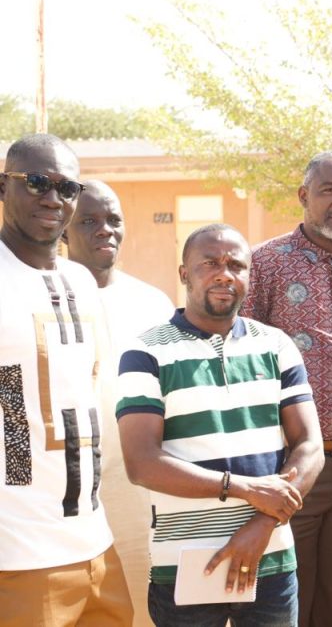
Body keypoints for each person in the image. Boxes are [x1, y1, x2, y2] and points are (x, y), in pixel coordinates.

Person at [117, 224, 323, 626]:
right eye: (209, 263)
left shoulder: (276, 345)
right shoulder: (145, 352)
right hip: (185, 566)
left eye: (236, 265)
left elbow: (309, 446)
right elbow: (141, 463)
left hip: (271, 560)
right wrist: (244, 488)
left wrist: (264, 523)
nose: (224, 273)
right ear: (184, 274)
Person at [240, 151, 332, 626]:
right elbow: (243, 362)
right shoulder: (265, 263)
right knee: (289, 597)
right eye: (331, 191)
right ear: (304, 196)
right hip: (296, 463)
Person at [0, 134, 133, 625]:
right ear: (3, 187)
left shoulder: (80, 280)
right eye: (36, 182)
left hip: (96, 543)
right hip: (19, 557)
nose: (53, 198)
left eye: (67, 188)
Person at [64, 180, 175, 625]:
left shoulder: (153, 302)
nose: (104, 230)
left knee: (145, 605)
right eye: (88, 221)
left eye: (113, 220)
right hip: (65, 491)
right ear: (65, 231)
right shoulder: (44, 293)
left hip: (139, 487)